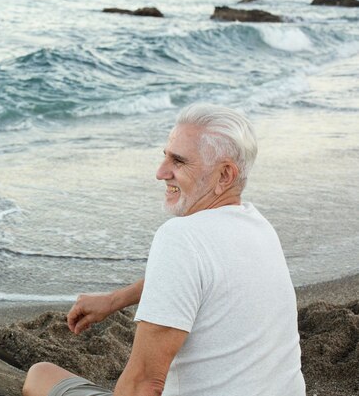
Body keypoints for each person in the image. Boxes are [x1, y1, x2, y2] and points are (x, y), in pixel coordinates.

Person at [22, 104, 306, 396]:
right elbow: (197, 279)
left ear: (224, 176)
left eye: (179, 162)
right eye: (165, 157)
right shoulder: (258, 227)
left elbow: (144, 384)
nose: (161, 172)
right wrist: (114, 300)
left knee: (40, 375)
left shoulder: (181, 238)